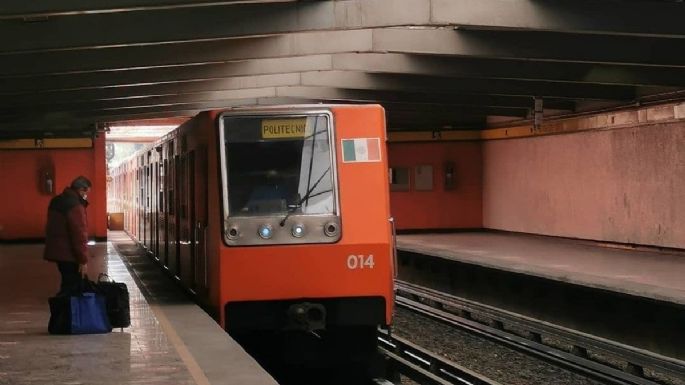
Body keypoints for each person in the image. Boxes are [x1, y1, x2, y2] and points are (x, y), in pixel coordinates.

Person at [44, 176, 92, 295]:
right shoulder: (75, 206)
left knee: (67, 282)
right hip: (69, 253)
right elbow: (79, 235)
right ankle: (66, 311)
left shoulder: (56, 200)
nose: (86, 196)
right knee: (71, 287)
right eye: (86, 192)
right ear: (81, 190)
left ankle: (65, 309)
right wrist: (83, 260)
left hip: (57, 250)